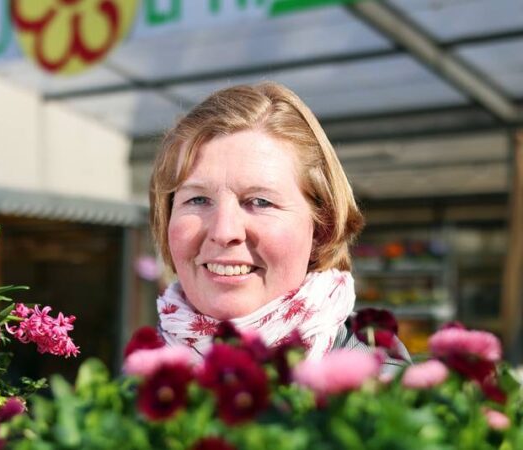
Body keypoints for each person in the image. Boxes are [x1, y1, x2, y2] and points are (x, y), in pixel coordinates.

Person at [149, 82, 409, 371]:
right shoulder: (132, 388)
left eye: (260, 202)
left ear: (322, 228)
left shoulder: (384, 399)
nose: (224, 232)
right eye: (198, 199)